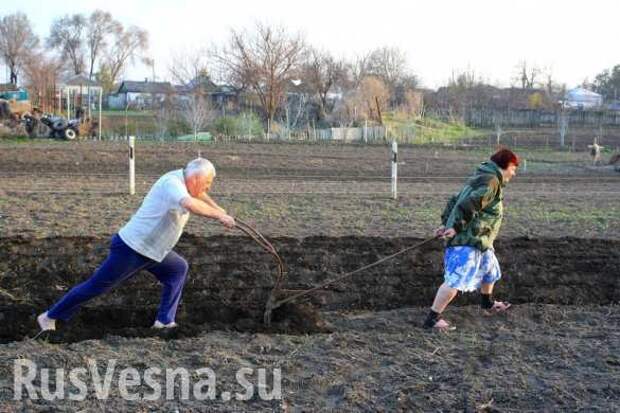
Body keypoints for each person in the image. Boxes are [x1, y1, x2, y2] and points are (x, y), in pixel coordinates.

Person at [37, 158, 235, 332]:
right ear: (194, 178)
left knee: (177, 269)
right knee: (96, 287)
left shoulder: (187, 180)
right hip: (132, 248)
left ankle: (164, 322)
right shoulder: (172, 184)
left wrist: (220, 210)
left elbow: (198, 194)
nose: (208, 188)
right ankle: (49, 317)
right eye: (207, 183)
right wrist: (219, 215)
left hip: (154, 250)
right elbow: (190, 203)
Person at [423, 149, 519, 330]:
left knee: (490, 269)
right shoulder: (491, 182)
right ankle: (432, 319)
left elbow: (455, 201)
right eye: (513, 169)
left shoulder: (483, 178)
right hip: (467, 240)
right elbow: (470, 204)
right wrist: (454, 227)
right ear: (506, 165)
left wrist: (446, 224)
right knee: (455, 281)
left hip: (480, 240)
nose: (513, 173)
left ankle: (487, 303)